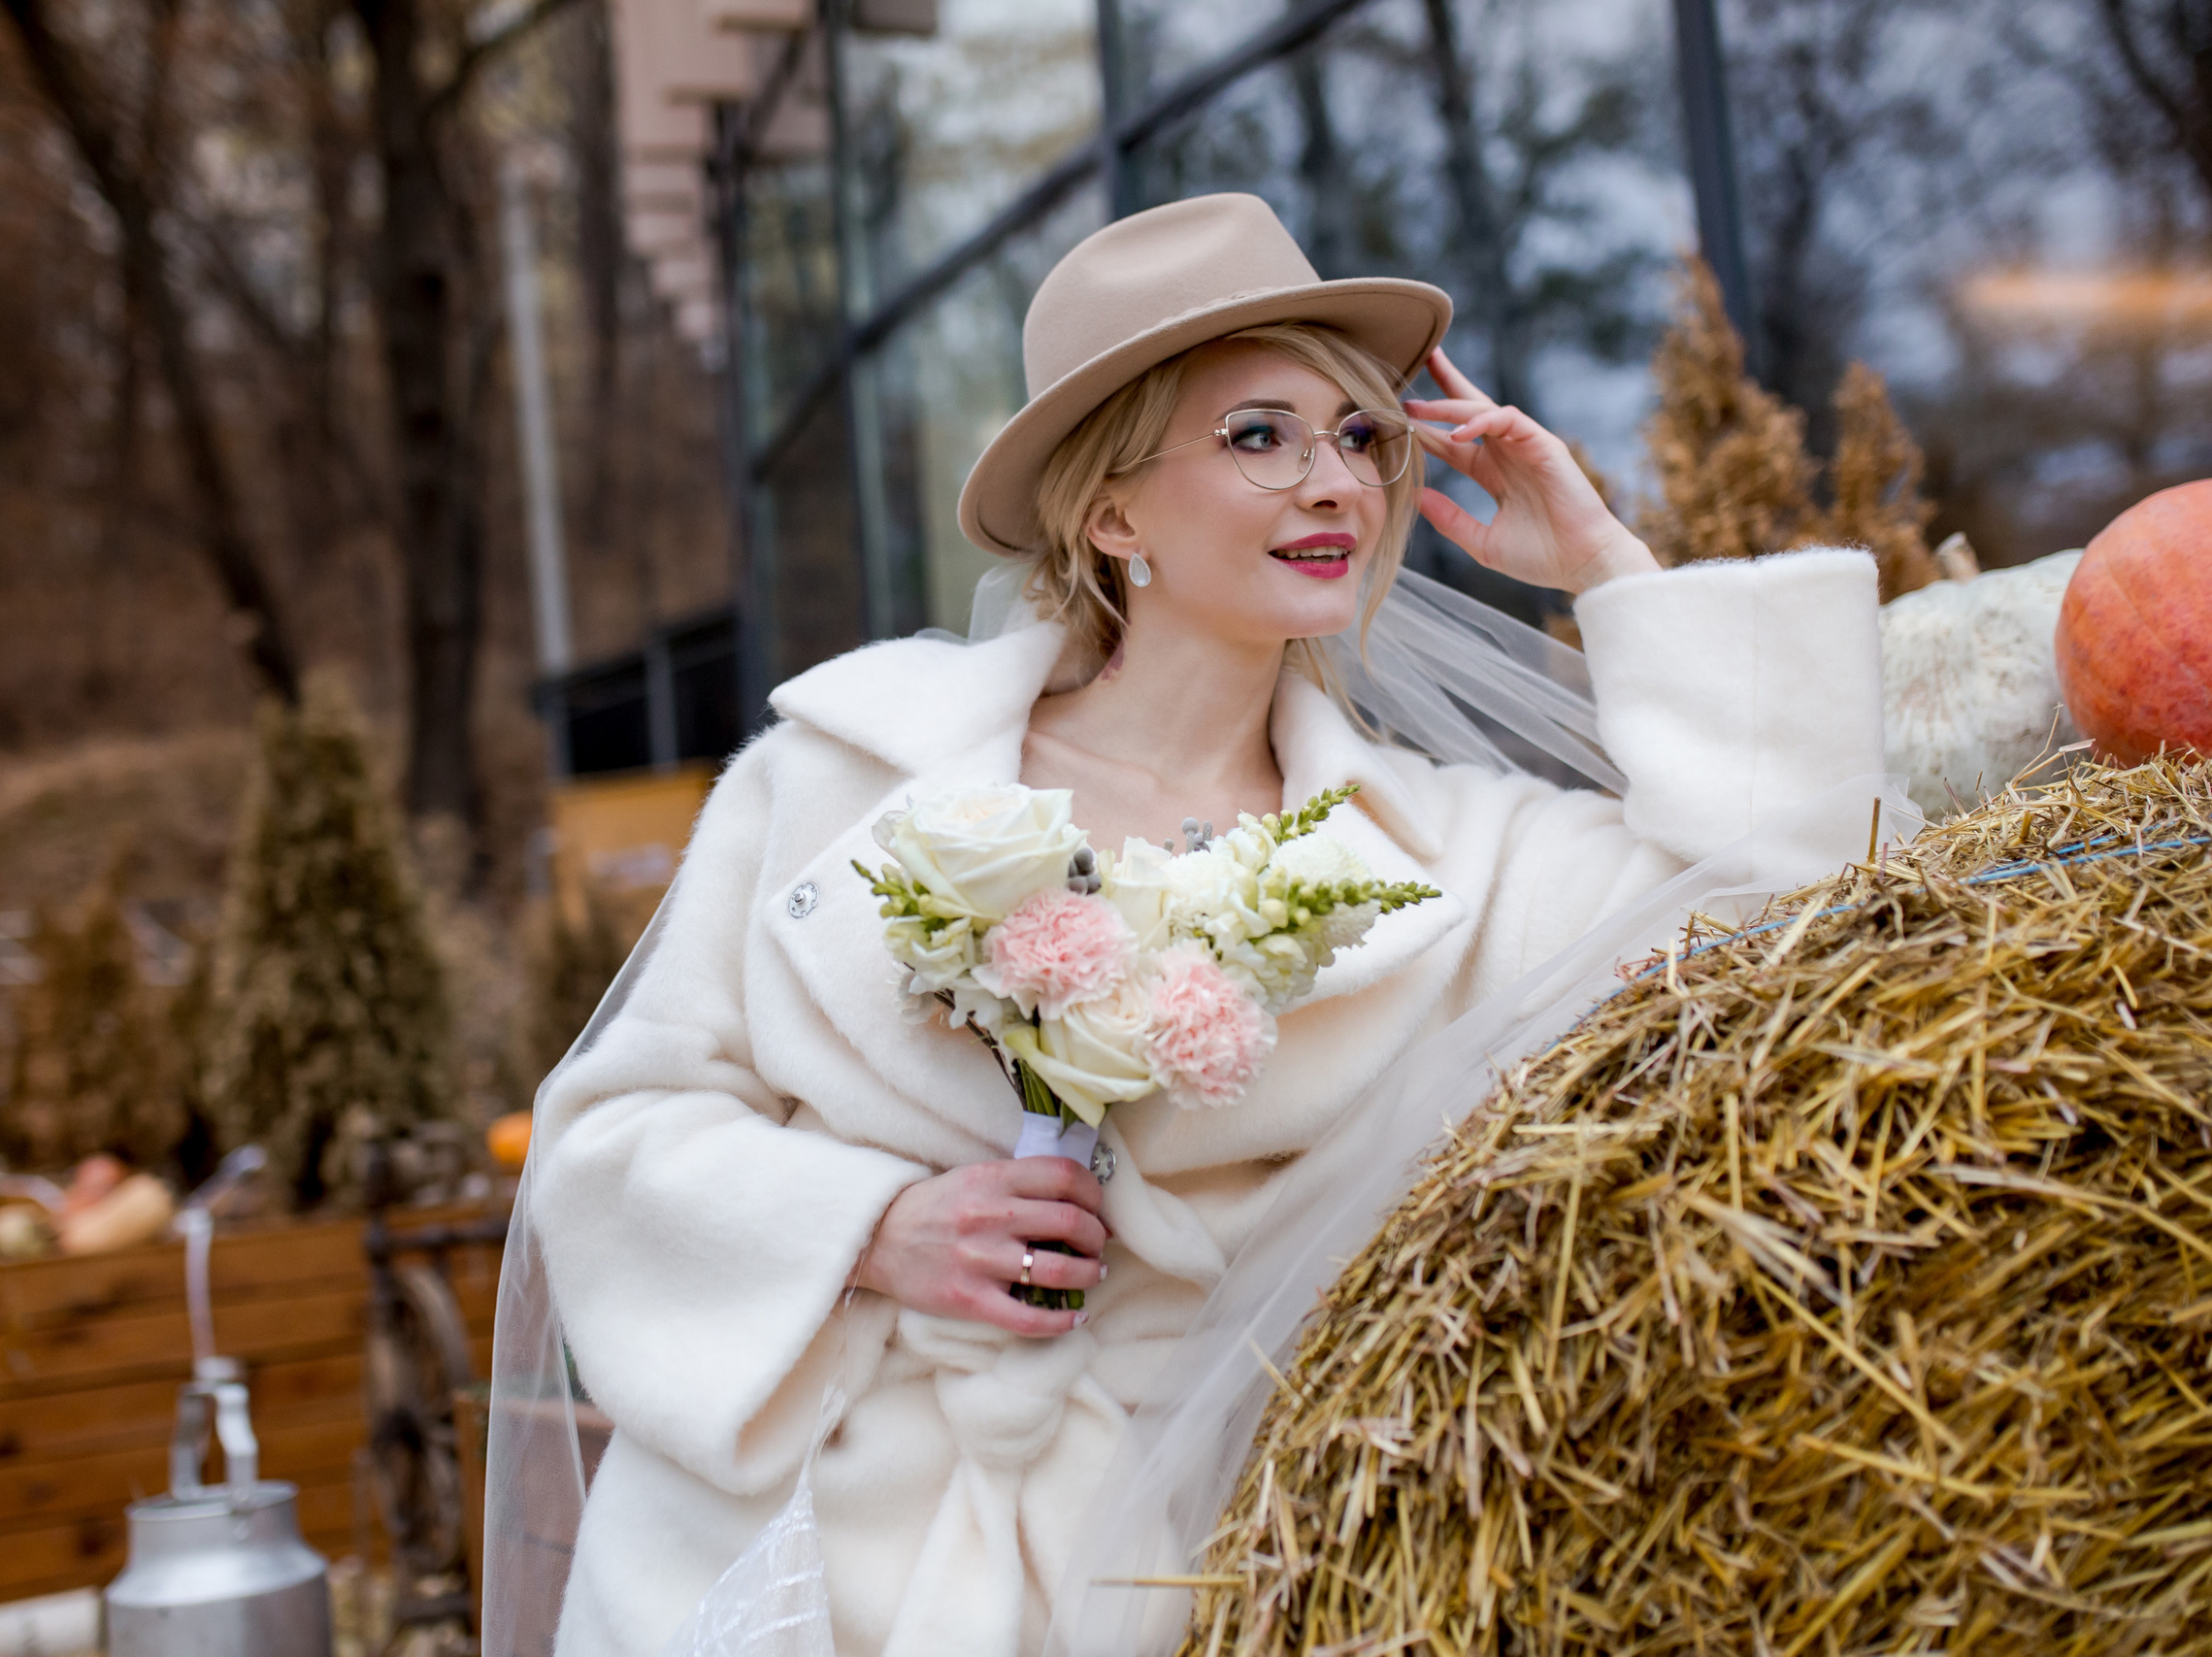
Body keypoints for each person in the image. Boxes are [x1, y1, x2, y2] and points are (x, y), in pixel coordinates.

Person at [522, 192, 1881, 1657]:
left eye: (1359, 437)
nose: (1335, 485)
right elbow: (612, 1133)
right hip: (789, 1557)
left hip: (1192, 1572)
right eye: (1260, 436)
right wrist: (870, 1230)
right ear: (1111, 515)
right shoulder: (840, 775)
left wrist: (1607, 563)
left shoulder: (1446, 858)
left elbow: (1805, 911)